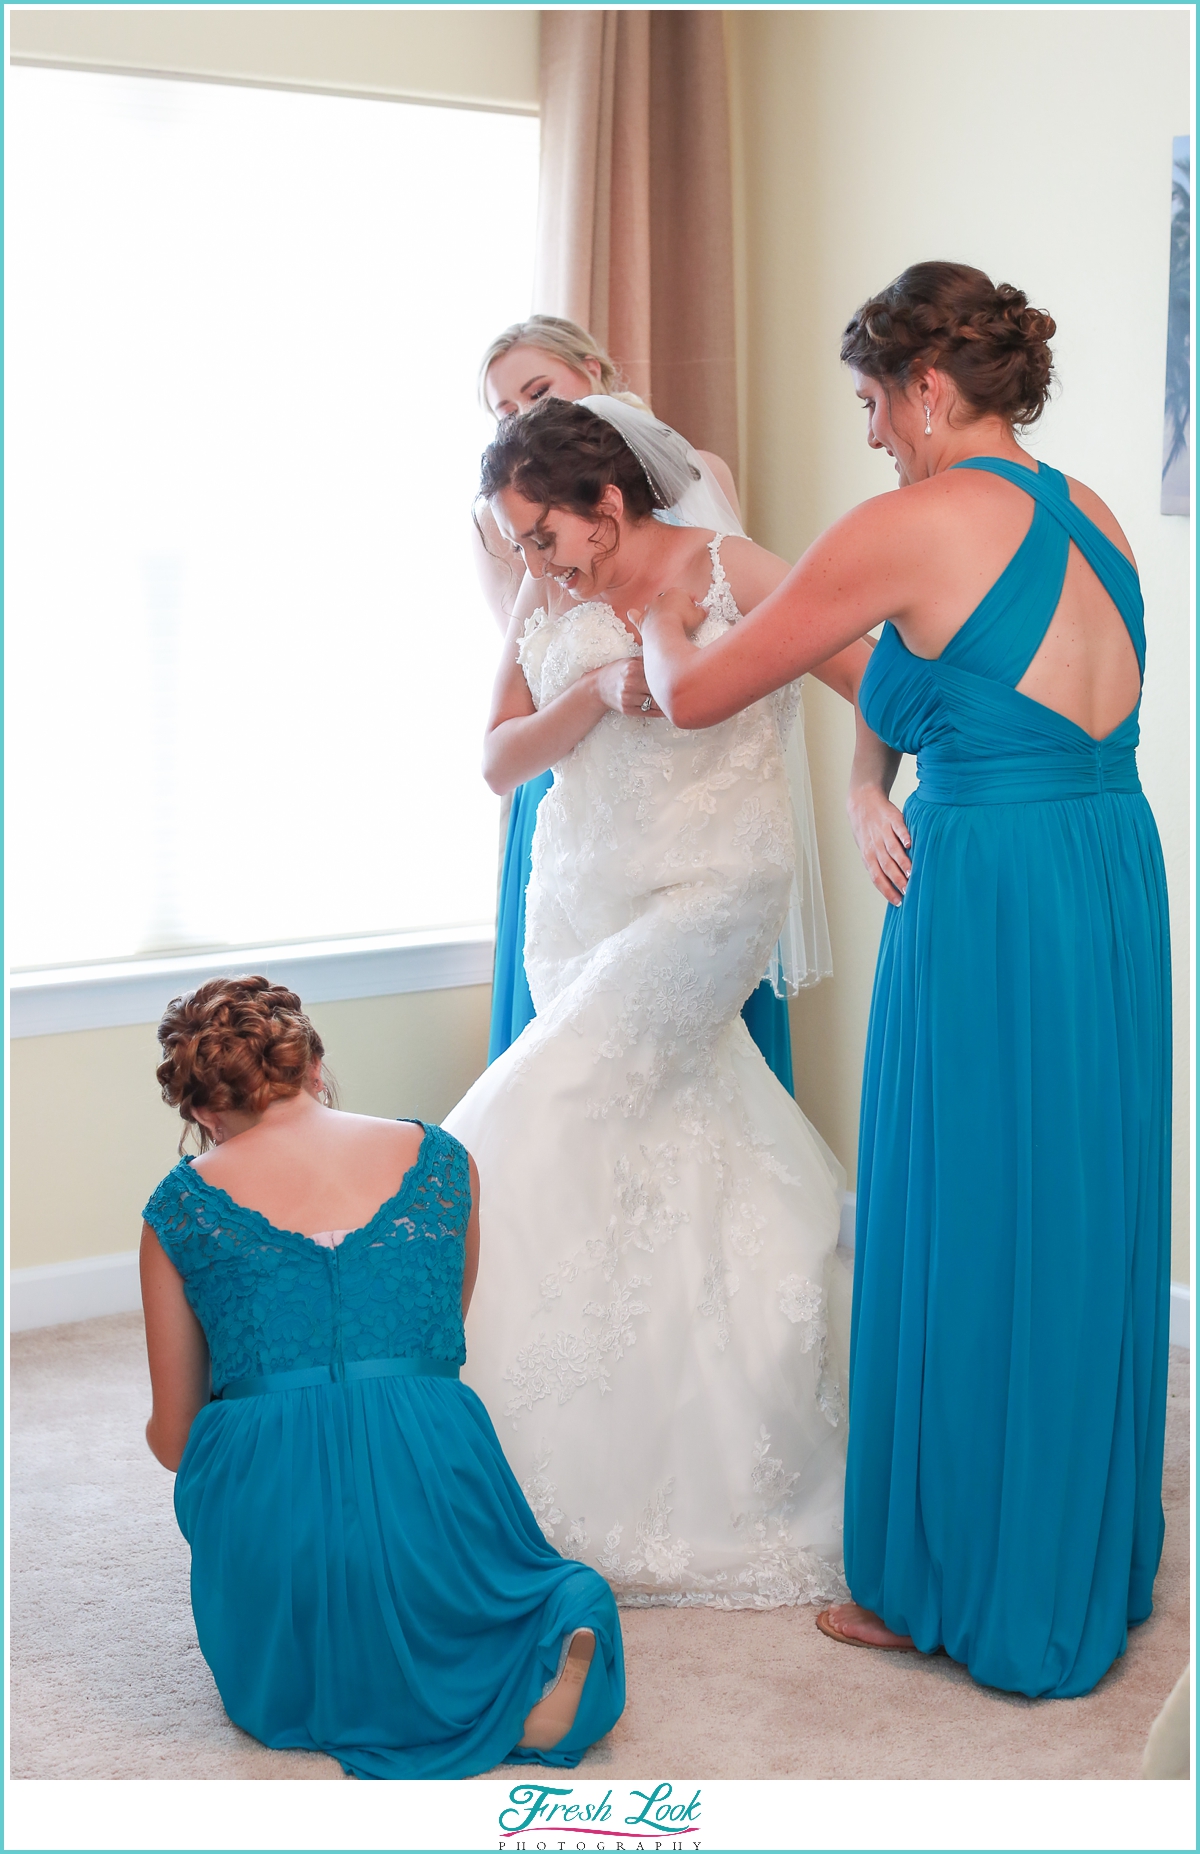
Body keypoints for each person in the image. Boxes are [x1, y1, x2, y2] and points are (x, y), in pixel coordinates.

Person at [639, 261, 1171, 1698]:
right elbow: (944, 688)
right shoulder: (1100, 515)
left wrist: (660, 602)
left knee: (964, 1210)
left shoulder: (904, 523)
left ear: (930, 391)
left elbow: (699, 692)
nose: (872, 432)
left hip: (989, 891)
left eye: (874, 402)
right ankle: (1082, 1554)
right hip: (1108, 870)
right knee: (1075, 1201)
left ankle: (948, 1582)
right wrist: (880, 773)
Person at [444, 395, 889, 1607]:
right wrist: (587, 699)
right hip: (580, 903)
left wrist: (871, 792)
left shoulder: (725, 565)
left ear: (608, 503)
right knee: (669, 1155)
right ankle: (668, 1436)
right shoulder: (548, 602)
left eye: (542, 536)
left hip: (710, 891)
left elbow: (873, 675)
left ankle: (474, 1463)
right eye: (515, 544)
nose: (529, 567)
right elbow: (495, 762)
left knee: (524, 1121)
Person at [139, 976, 624, 1779]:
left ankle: (336, 1650)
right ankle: (515, 1677)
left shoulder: (179, 1206)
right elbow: (442, 1334)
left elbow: (177, 1442)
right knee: (552, 1591)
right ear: (314, 1068)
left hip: (271, 1492)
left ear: (203, 1114)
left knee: (292, 1631)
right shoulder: (443, 1160)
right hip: (427, 1452)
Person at [474, 314, 801, 1093]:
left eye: (535, 391)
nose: (520, 416)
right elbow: (510, 712)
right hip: (573, 791)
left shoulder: (697, 494)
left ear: (594, 372)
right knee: (568, 1065)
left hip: (697, 828)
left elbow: (751, 634)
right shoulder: (534, 552)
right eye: (502, 411)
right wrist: (587, 683)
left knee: (637, 1069)